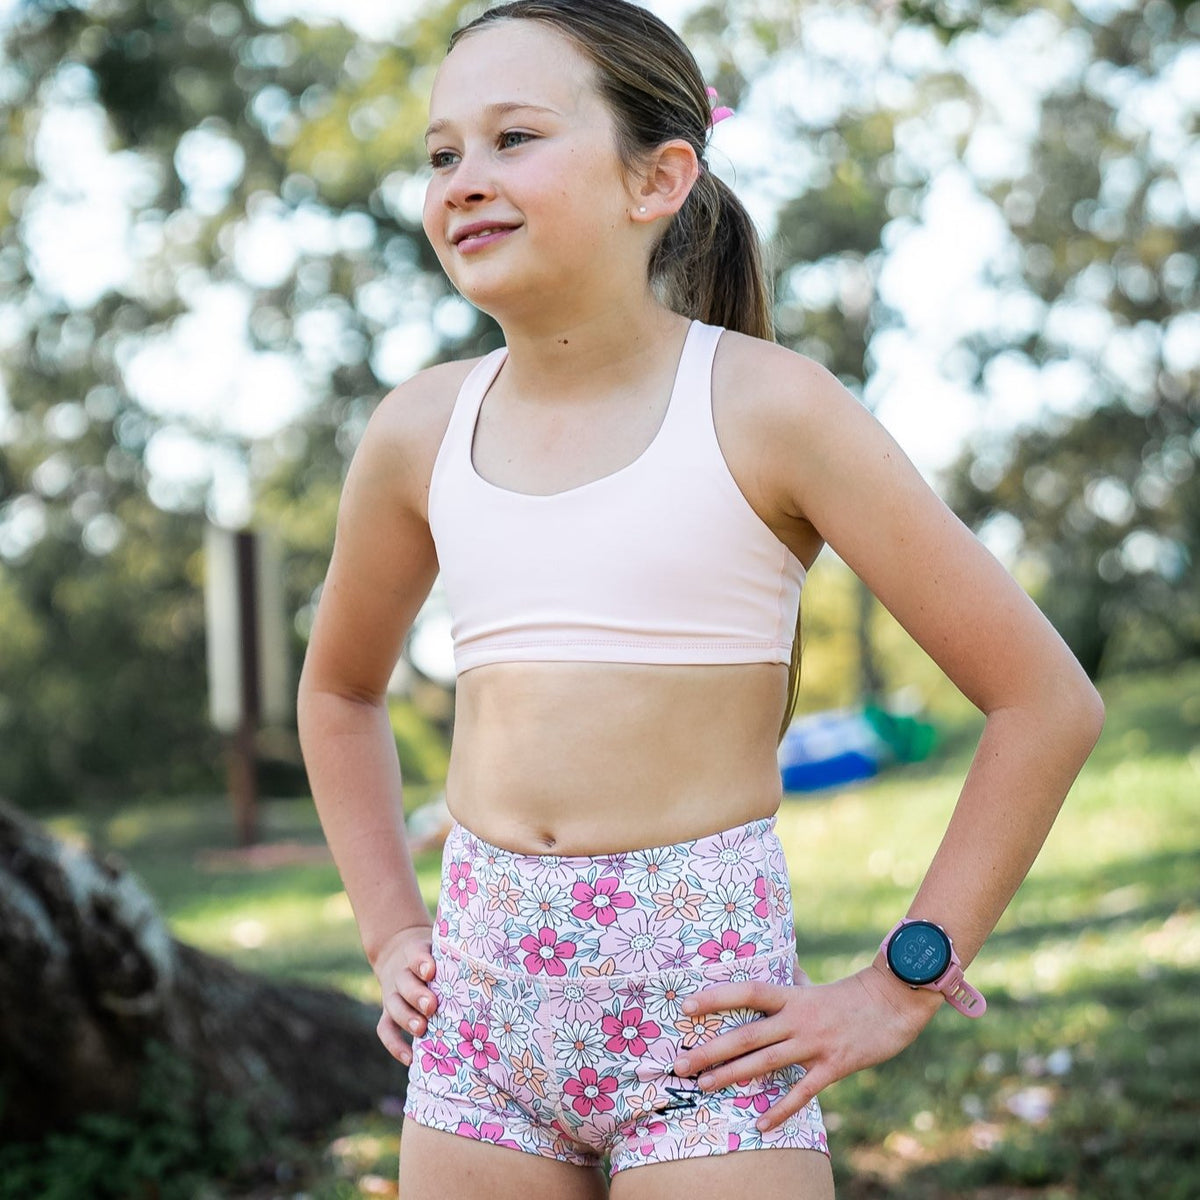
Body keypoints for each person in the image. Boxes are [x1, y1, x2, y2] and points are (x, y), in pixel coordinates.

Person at [295, 2, 1105, 1196]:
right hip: (478, 1034)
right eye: (441, 152)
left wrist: (903, 979)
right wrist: (389, 928)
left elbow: (1046, 701)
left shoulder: (771, 409)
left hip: (707, 1031)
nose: (465, 178)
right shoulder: (418, 431)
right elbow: (339, 688)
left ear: (658, 178)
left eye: (515, 137)